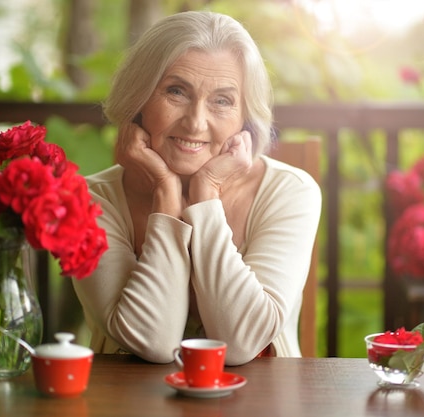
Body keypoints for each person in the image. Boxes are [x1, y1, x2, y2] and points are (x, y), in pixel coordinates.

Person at [73, 10, 321, 366]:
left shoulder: (291, 192)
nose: (195, 122)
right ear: (139, 100)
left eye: (222, 100)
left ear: (244, 118)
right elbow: (153, 340)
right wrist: (166, 193)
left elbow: (240, 343)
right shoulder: (90, 201)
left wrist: (206, 194)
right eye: (176, 91)